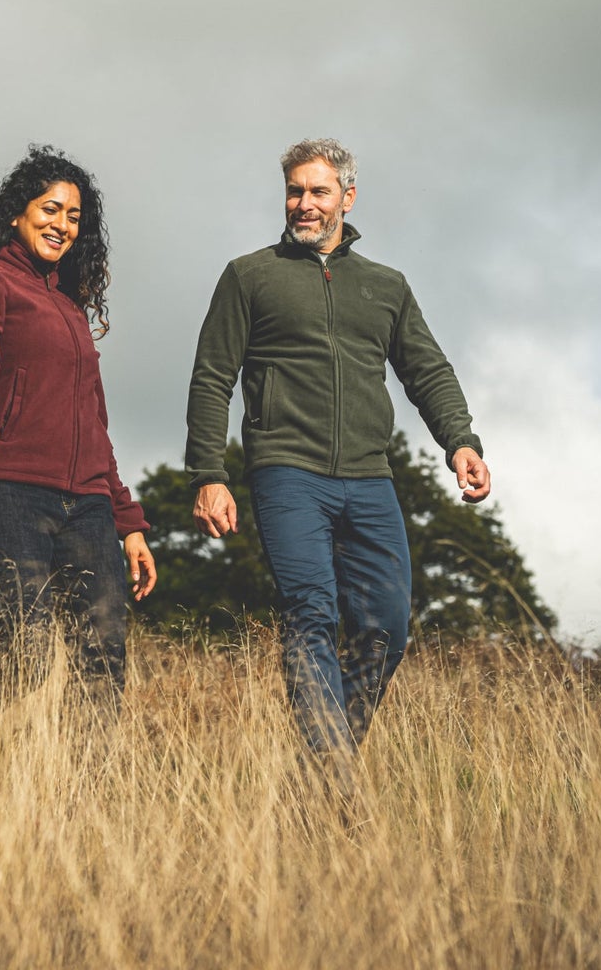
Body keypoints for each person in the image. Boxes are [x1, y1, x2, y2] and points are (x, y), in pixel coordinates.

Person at [185, 138, 489, 757]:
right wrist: (208, 474)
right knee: (312, 614)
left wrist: (460, 441)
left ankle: (324, 760)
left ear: (347, 198)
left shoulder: (386, 286)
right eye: (294, 191)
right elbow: (212, 375)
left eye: (318, 191)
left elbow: (427, 370)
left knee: (388, 630)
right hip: (286, 472)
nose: (304, 203)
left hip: (371, 478)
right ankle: (330, 774)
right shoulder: (250, 276)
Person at [0, 146, 157, 705]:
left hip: (86, 504)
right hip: (6, 487)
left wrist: (128, 521)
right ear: (17, 211)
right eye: (50, 209)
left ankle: (88, 792)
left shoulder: (69, 305)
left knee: (103, 658)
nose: (61, 224)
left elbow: (94, 419)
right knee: (27, 648)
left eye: (73, 217)